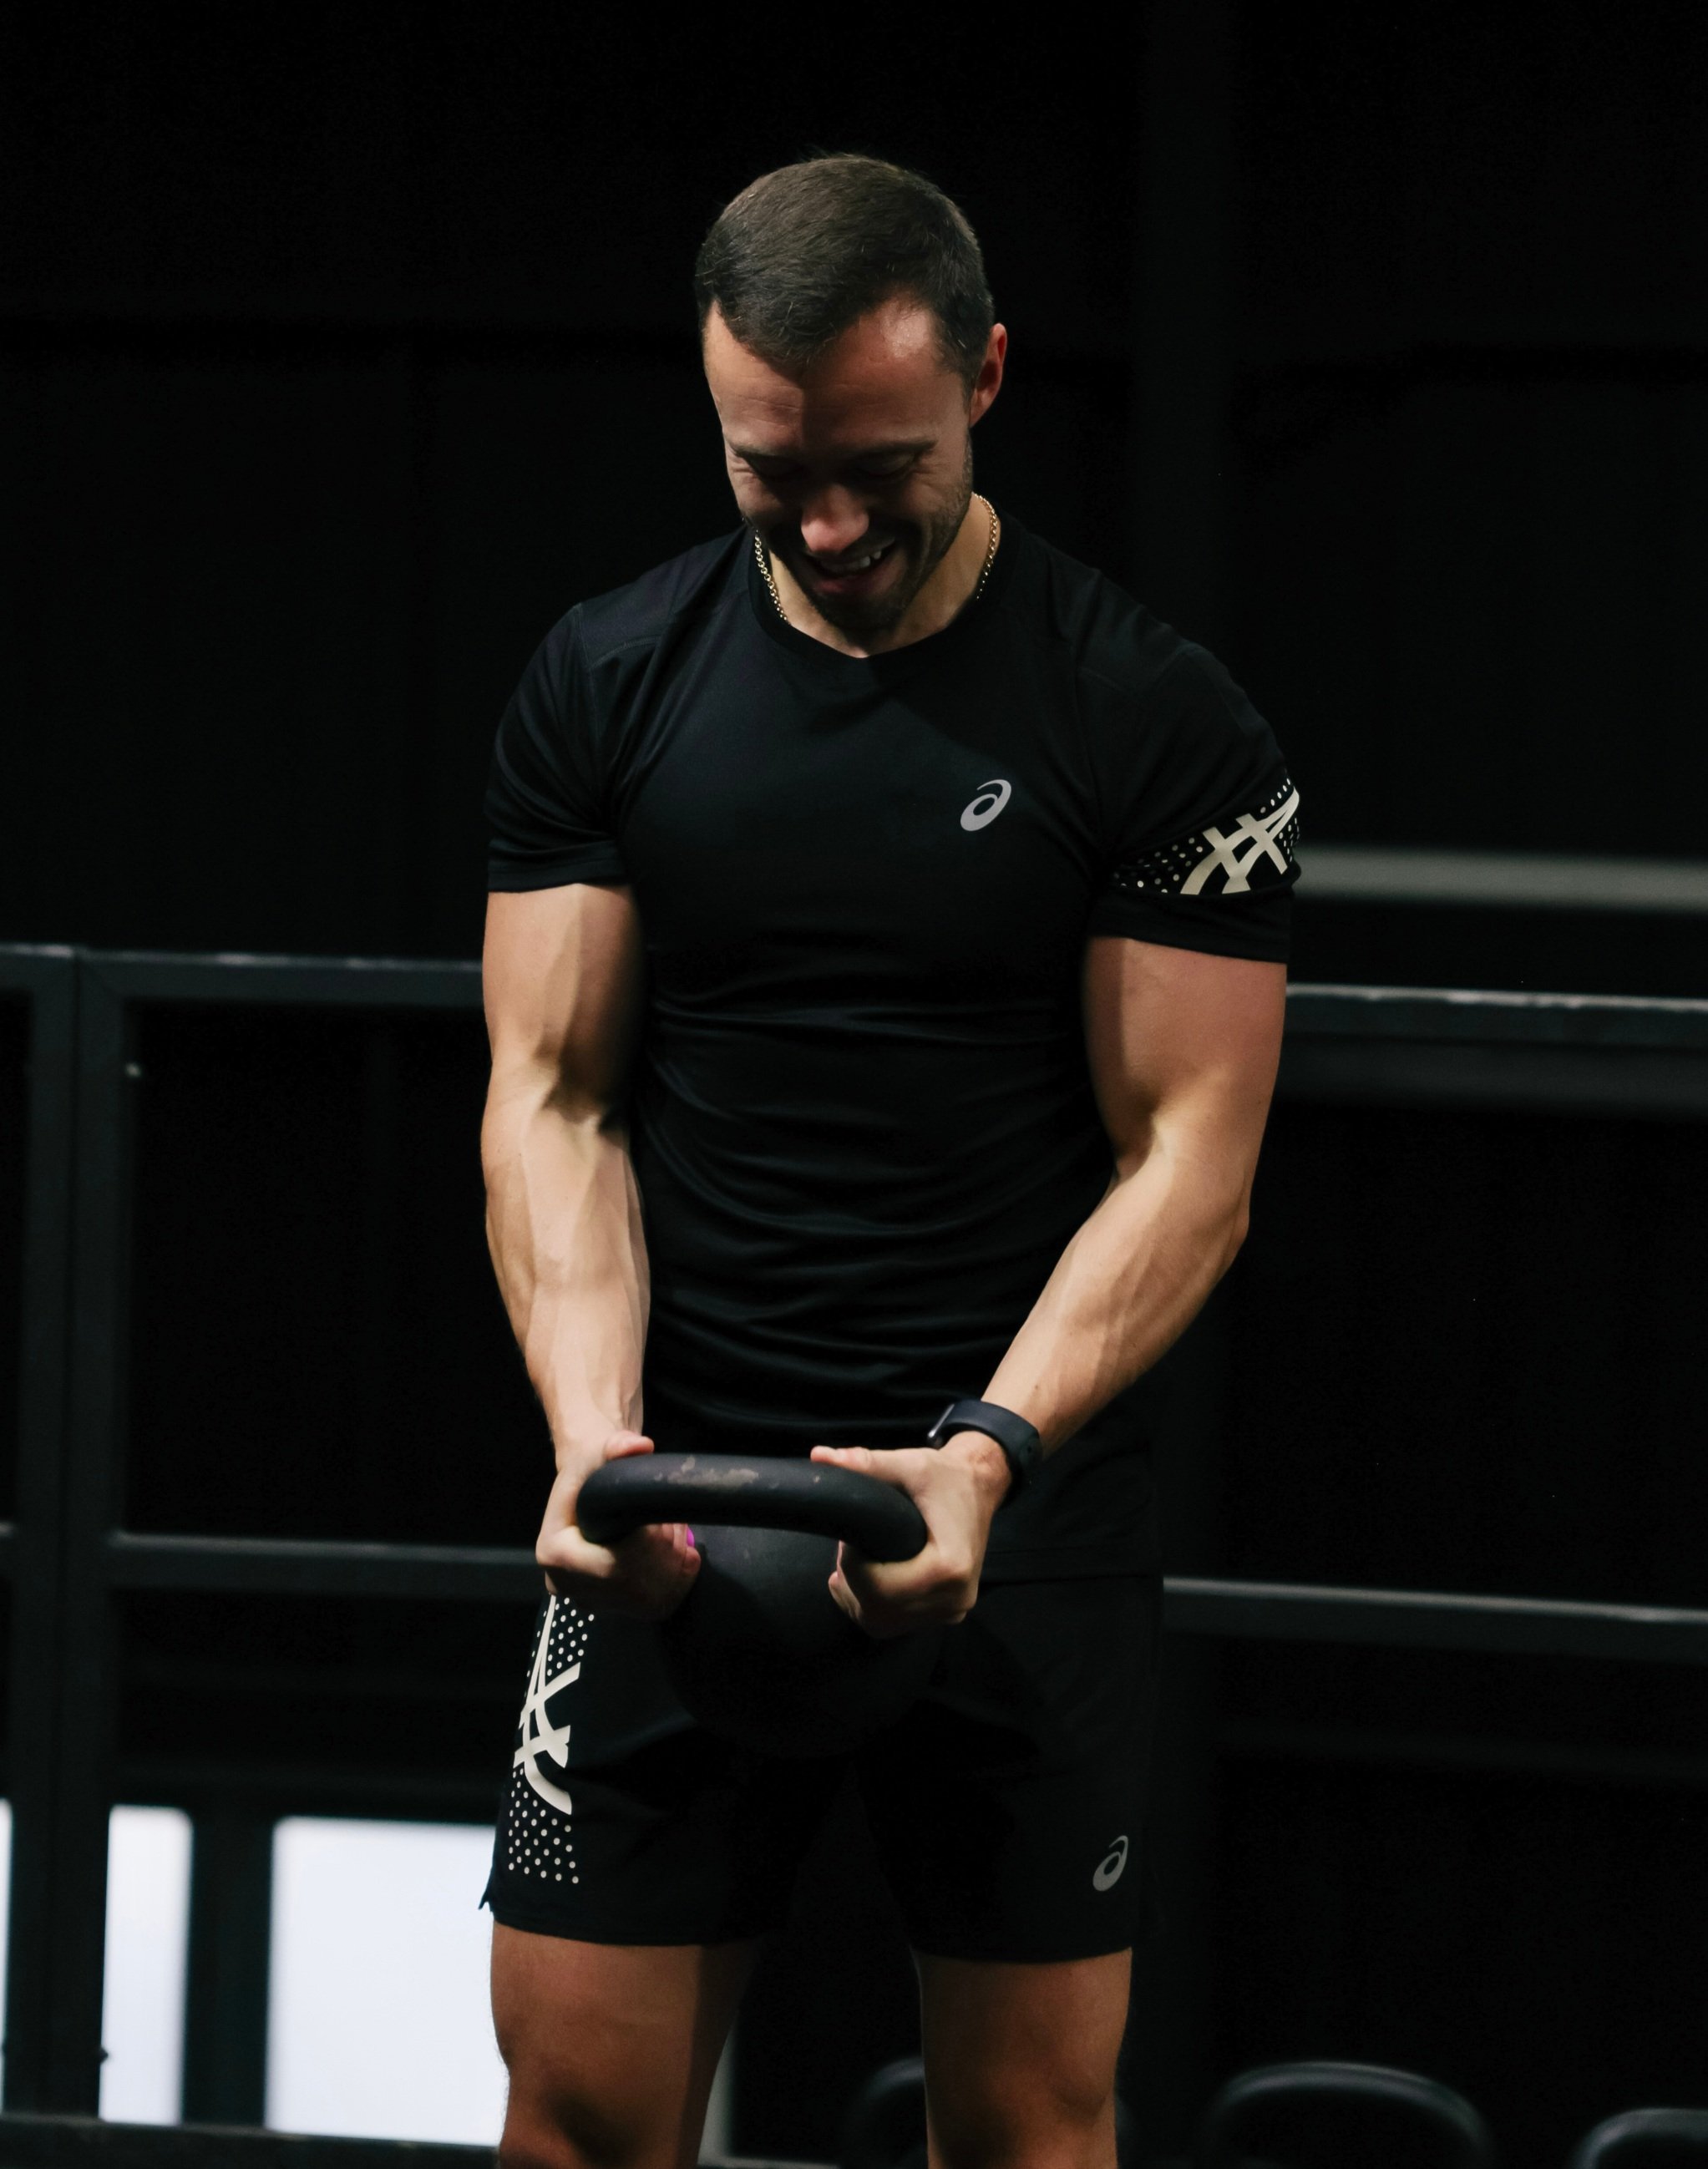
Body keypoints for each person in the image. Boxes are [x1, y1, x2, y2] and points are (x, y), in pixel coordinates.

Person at [479, 155, 1296, 2169]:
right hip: (675, 1502)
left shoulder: (1158, 720)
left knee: (1028, 2131)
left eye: (881, 464)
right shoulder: (608, 680)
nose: (831, 523)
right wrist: (595, 1438)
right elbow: (551, 1097)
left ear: (992, 376)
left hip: (1012, 1506)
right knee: (576, 2109)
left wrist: (990, 1450)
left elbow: (1189, 1153)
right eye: (776, 470)